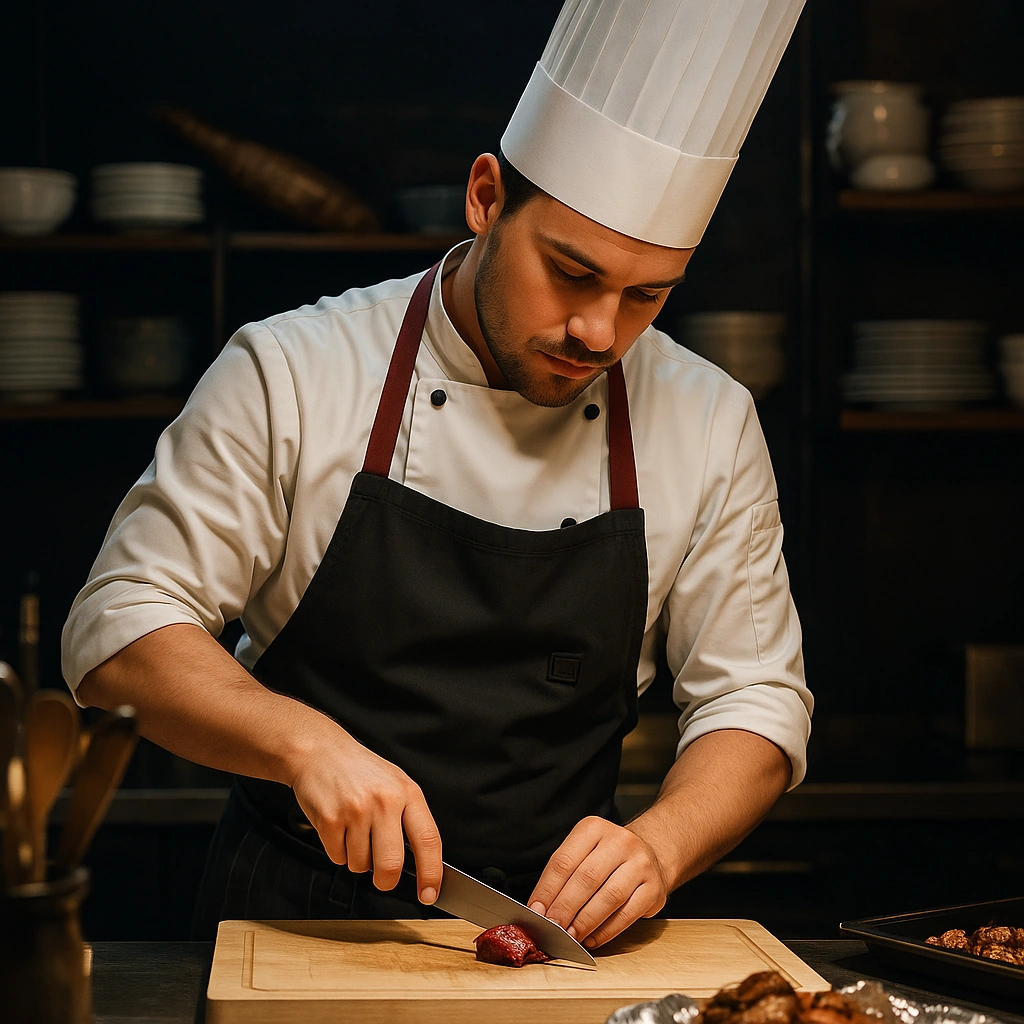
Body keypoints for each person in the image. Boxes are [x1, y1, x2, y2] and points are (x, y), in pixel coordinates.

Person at [63, 0, 811, 948]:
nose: (599, 332)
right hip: (292, 918)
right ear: (486, 197)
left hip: (550, 933)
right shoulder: (294, 371)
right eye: (572, 273)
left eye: (648, 296)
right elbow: (117, 624)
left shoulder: (708, 420)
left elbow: (756, 698)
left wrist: (659, 846)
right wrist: (302, 743)